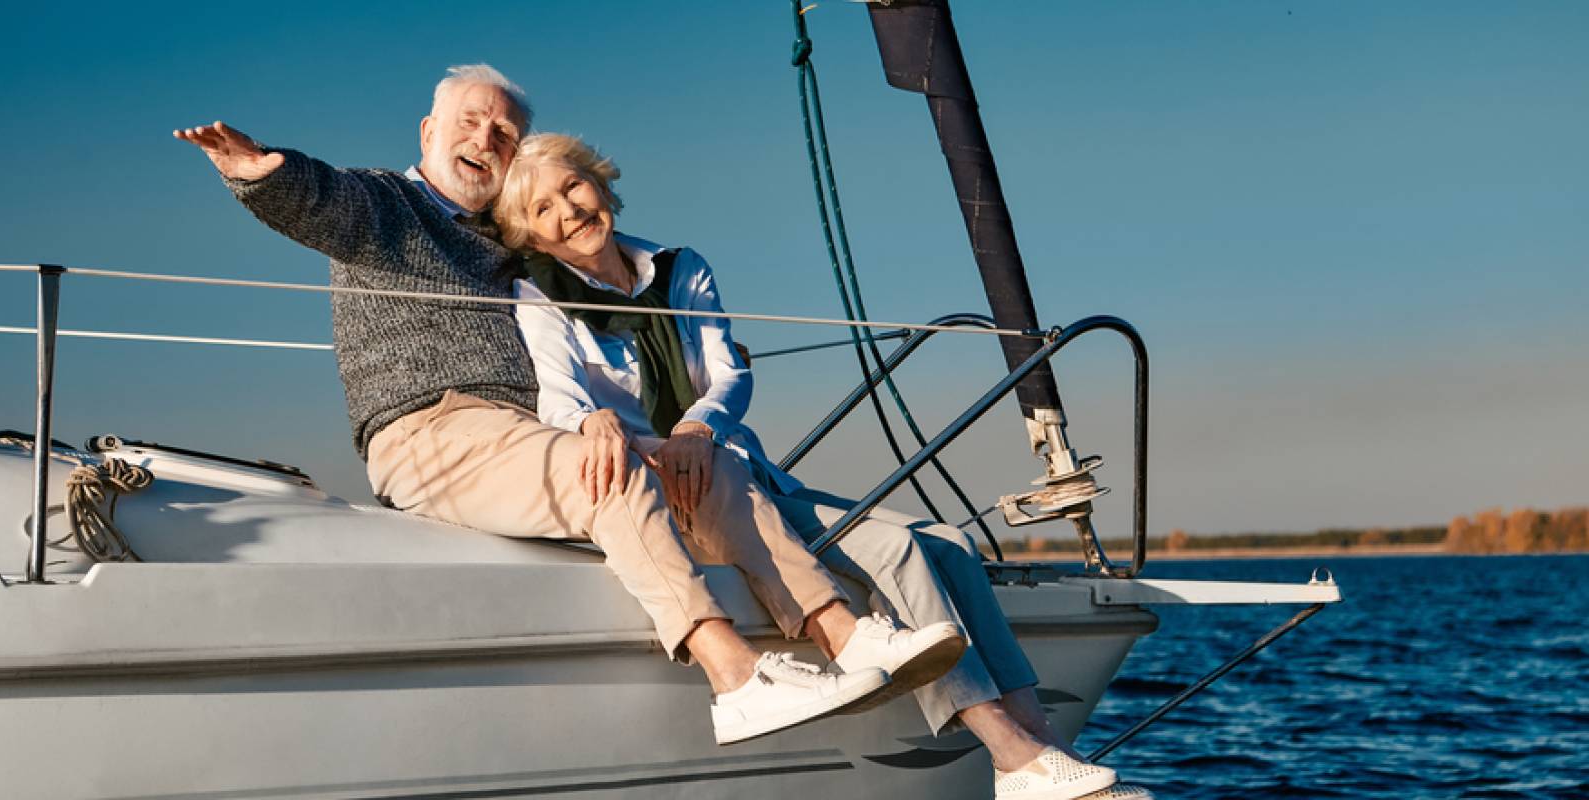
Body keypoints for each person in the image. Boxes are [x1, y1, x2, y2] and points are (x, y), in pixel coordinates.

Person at [171, 65, 963, 746]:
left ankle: (846, 637)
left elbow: (601, 276)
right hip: (429, 430)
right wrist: (259, 169)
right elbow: (320, 202)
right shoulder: (387, 205)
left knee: (710, 468)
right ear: (428, 130)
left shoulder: (512, 243)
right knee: (604, 463)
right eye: (472, 122)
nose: (487, 139)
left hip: (523, 435)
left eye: (505, 133)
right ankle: (738, 679)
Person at [496, 132, 1152, 800]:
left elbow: (729, 374)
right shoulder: (539, 296)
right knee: (896, 549)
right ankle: (1009, 755)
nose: (567, 211)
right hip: (679, 499)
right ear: (532, 235)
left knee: (951, 545)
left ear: (602, 183)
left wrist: (698, 425)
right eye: (542, 210)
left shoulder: (680, 267)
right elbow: (560, 400)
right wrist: (597, 423)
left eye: (573, 187)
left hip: (743, 470)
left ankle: (1050, 749)